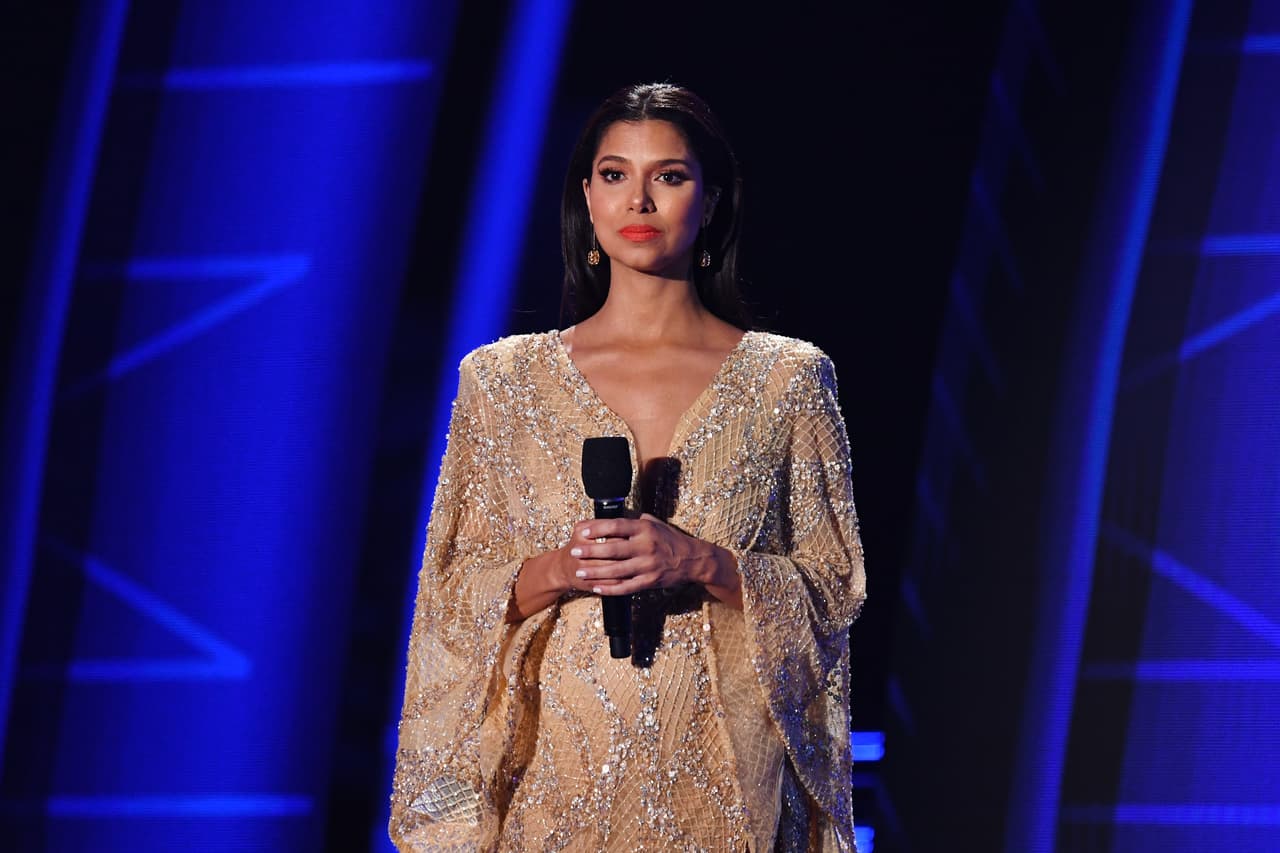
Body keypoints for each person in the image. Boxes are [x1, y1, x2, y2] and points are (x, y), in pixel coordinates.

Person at [389, 82, 867, 852]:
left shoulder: (789, 380)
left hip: (722, 792)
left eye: (669, 176)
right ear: (587, 195)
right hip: (552, 784)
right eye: (615, 175)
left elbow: (833, 587)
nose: (638, 199)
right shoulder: (500, 382)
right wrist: (557, 568)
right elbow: (451, 594)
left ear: (709, 202)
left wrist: (701, 560)